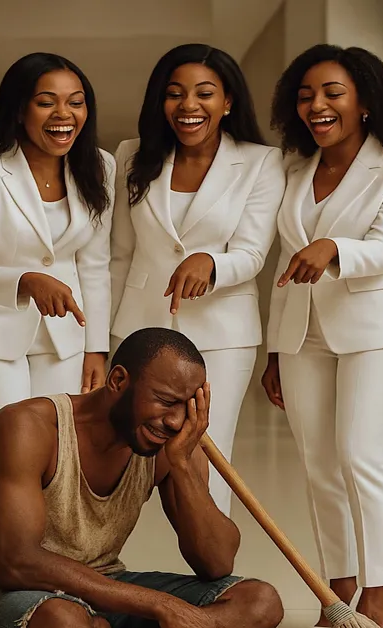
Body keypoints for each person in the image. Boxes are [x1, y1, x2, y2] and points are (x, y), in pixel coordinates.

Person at [0, 327, 284, 628]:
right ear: (118, 381)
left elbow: (216, 563)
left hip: (99, 585)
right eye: (165, 401)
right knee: (66, 627)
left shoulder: (171, 445)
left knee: (261, 602)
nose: (175, 421)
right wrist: (164, 607)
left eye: (186, 407)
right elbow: (17, 564)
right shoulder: (27, 426)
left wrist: (183, 466)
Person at [262, 44, 383, 628]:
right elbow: (285, 260)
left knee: (361, 455)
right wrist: (275, 348)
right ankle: (337, 591)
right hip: (302, 331)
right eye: (306, 95)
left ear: (365, 101)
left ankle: (380, 594)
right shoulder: (294, 168)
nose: (317, 105)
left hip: (377, 330)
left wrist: (334, 248)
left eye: (332, 93)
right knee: (319, 466)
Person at [111, 44, 285, 516]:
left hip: (221, 332)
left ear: (227, 102)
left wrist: (212, 263)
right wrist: (102, 342)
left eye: (204, 93)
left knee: (207, 454)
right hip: (139, 326)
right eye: (175, 94)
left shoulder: (262, 162)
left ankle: (210, 558)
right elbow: (120, 255)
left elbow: (252, 252)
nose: (188, 105)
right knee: (126, 458)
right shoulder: (131, 156)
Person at [0, 53, 113, 448]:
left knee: (57, 455)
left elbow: (95, 266)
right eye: (46, 102)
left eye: (75, 101)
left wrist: (96, 349)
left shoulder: (100, 166)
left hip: (65, 339)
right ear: (19, 110)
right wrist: (27, 281)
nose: (63, 114)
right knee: (5, 453)